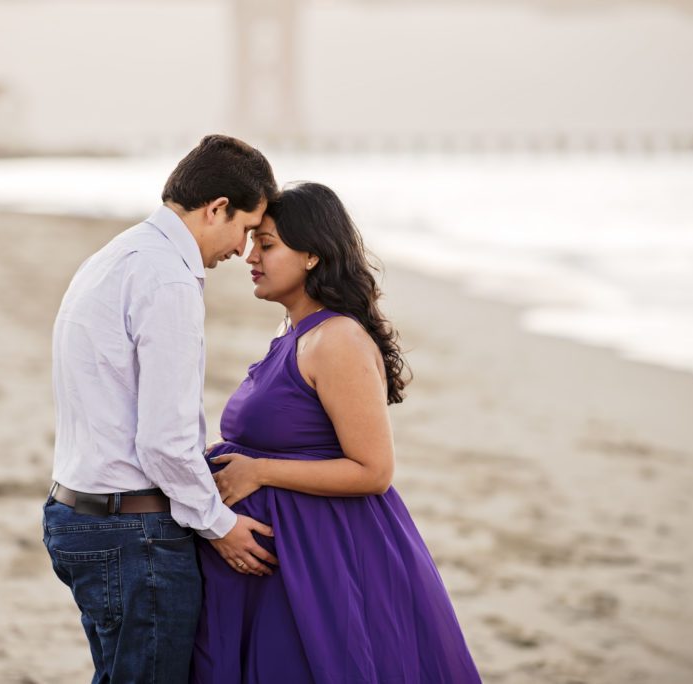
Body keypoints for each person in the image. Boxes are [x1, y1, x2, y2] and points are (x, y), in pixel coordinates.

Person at [191, 182, 482, 683]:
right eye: (253, 242)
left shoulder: (337, 339)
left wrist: (258, 470)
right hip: (283, 560)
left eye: (267, 244)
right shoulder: (294, 335)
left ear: (310, 255)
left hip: (324, 560)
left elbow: (374, 471)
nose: (250, 257)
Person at [43, 134, 281, 684]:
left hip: (80, 513)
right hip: (133, 534)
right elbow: (163, 439)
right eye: (246, 230)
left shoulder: (120, 253)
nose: (243, 251)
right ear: (216, 207)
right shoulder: (169, 277)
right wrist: (219, 525)